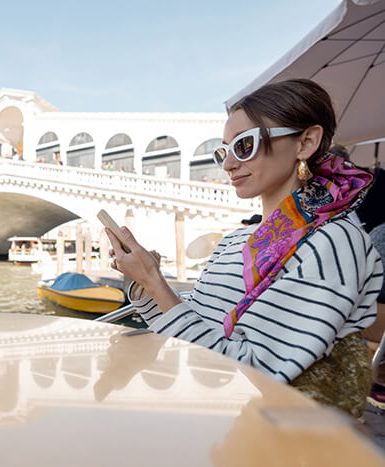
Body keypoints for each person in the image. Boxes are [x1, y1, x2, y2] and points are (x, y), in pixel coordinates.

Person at [106, 79, 383, 416]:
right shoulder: (237, 239)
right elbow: (197, 322)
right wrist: (144, 282)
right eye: (225, 150)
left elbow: (253, 371)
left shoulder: (334, 244)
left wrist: (155, 282)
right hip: (224, 417)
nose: (228, 164)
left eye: (245, 145)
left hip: (288, 435)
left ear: (305, 142)